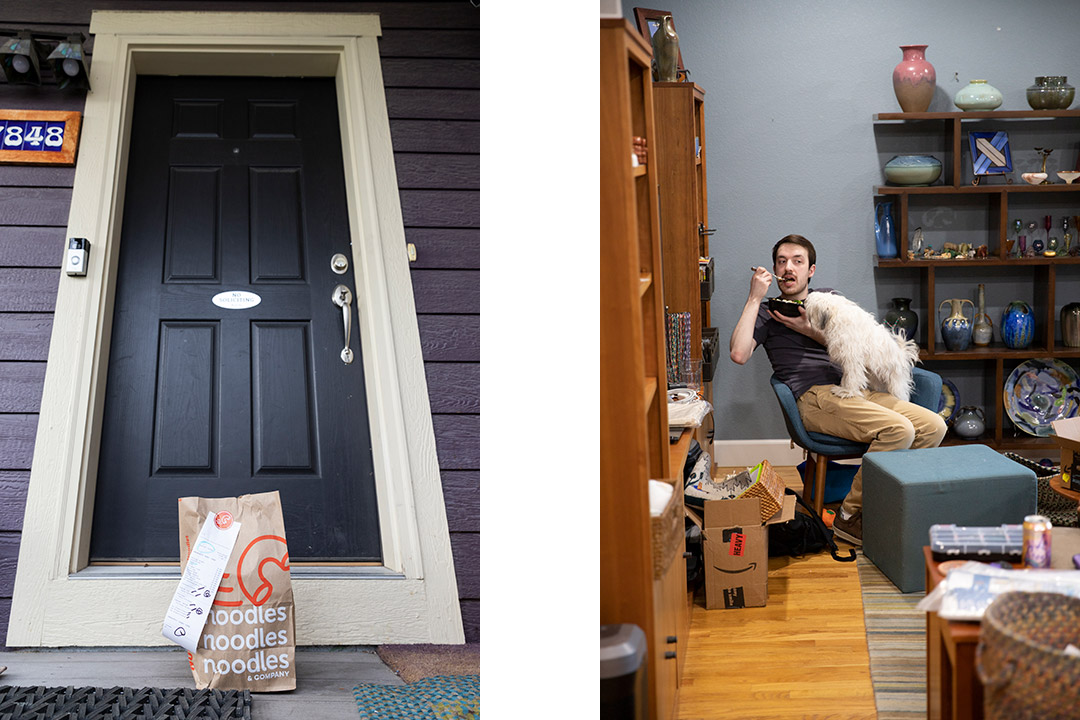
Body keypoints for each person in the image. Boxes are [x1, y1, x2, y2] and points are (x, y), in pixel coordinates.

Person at [729, 234, 946, 545]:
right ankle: (849, 516)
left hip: (854, 387)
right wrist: (753, 298)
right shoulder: (766, 312)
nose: (788, 268)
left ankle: (887, 506)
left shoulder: (828, 299)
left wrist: (808, 329)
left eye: (797, 261)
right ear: (775, 269)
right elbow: (738, 354)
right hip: (815, 397)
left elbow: (856, 348)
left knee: (933, 426)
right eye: (781, 261)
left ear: (811, 270)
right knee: (898, 430)